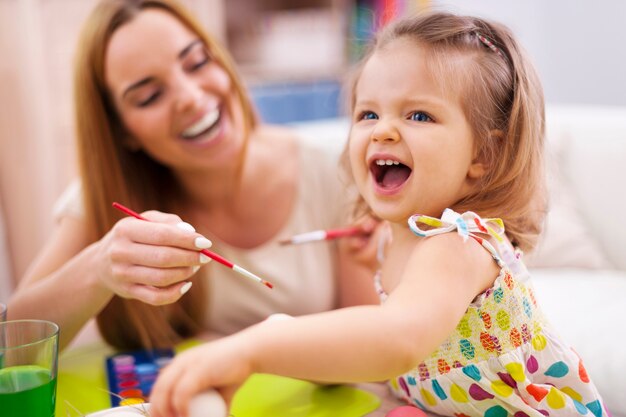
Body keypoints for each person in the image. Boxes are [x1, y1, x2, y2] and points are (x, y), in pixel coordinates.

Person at [149, 11, 609, 417]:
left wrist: (256, 345)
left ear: (483, 155)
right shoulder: (396, 240)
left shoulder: (459, 244)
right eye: (367, 114)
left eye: (419, 116)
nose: (383, 130)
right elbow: (375, 346)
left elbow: (396, 341)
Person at [7, 0, 379, 351]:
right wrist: (98, 267)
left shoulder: (334, 170)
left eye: (197, 62)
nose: (189, 96)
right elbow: (10, 344)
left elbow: (371, 348)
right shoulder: (107, 196)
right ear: (122, 131)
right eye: (150, 95)